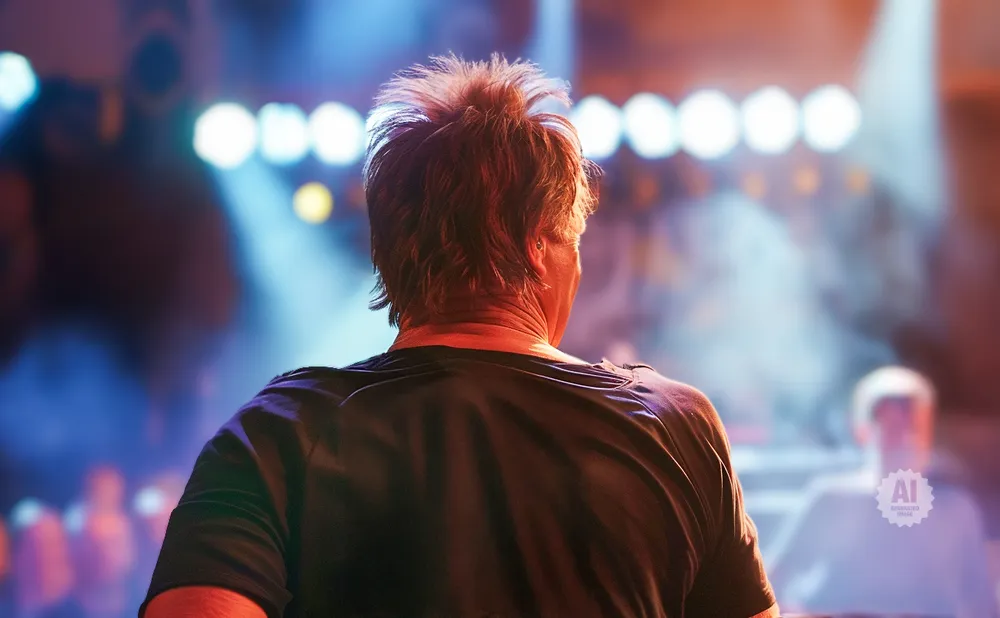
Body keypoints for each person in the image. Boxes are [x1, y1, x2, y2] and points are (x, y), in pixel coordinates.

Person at [142, 55, 778, 618]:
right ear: (537, 248)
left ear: (389, 252)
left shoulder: (276, 435)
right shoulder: (672, 428)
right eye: (572, 243)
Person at [767, 366, 999, 617]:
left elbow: (983, 603)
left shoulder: (956, 509)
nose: (905, 441)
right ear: (863, 432)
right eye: (893, 429)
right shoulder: (832, 499)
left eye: (914, 428)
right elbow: (769, 582)